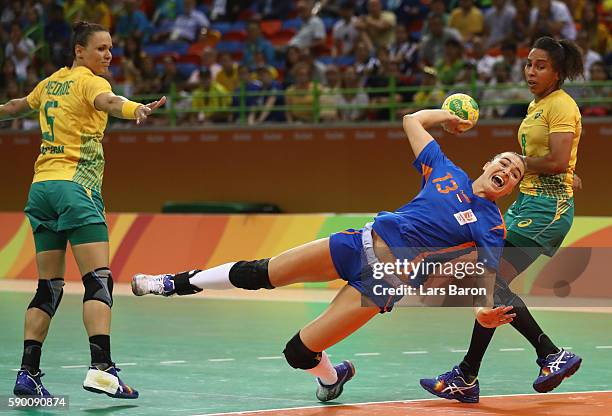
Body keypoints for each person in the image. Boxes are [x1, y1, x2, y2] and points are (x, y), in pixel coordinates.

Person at [131, 108, 525, 402]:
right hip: (358, 244)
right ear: (488, 163)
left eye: (514, 175)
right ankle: (175, 283)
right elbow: (411, 121)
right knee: (261, 273)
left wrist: (482, 310)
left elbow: (487, 275)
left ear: (508, 190)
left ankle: (330, 376)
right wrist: (447, 117)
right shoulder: (446, 170)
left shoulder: (490, 224)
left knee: (297, 352)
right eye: (503, 162)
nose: (507, 170)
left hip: (383, 282)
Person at [1, 21, 166, 399]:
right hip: (77, 189)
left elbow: (13, 108)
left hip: (41, 189)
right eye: (101, 48)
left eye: (110, 48)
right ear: (79, 51)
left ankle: (28, 375)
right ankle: (102, 370)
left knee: (49, 287)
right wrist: (134, 108)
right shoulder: (92, 82)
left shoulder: (50, 83)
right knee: (98, 280)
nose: (108, 55)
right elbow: (108, 102)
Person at [421, 36, 584, 403]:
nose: (531, 71)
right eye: (529, 63)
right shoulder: (536, 106)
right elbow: (557, 161)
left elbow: (557, 159)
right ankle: (472, 374)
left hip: (547, 211)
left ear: (557, 73)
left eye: (540, 65)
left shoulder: (561, 105)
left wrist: (525, 164)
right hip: (527, 204)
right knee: (490, 286)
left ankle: (542, 356)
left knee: (489, 282)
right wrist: (560, 170)